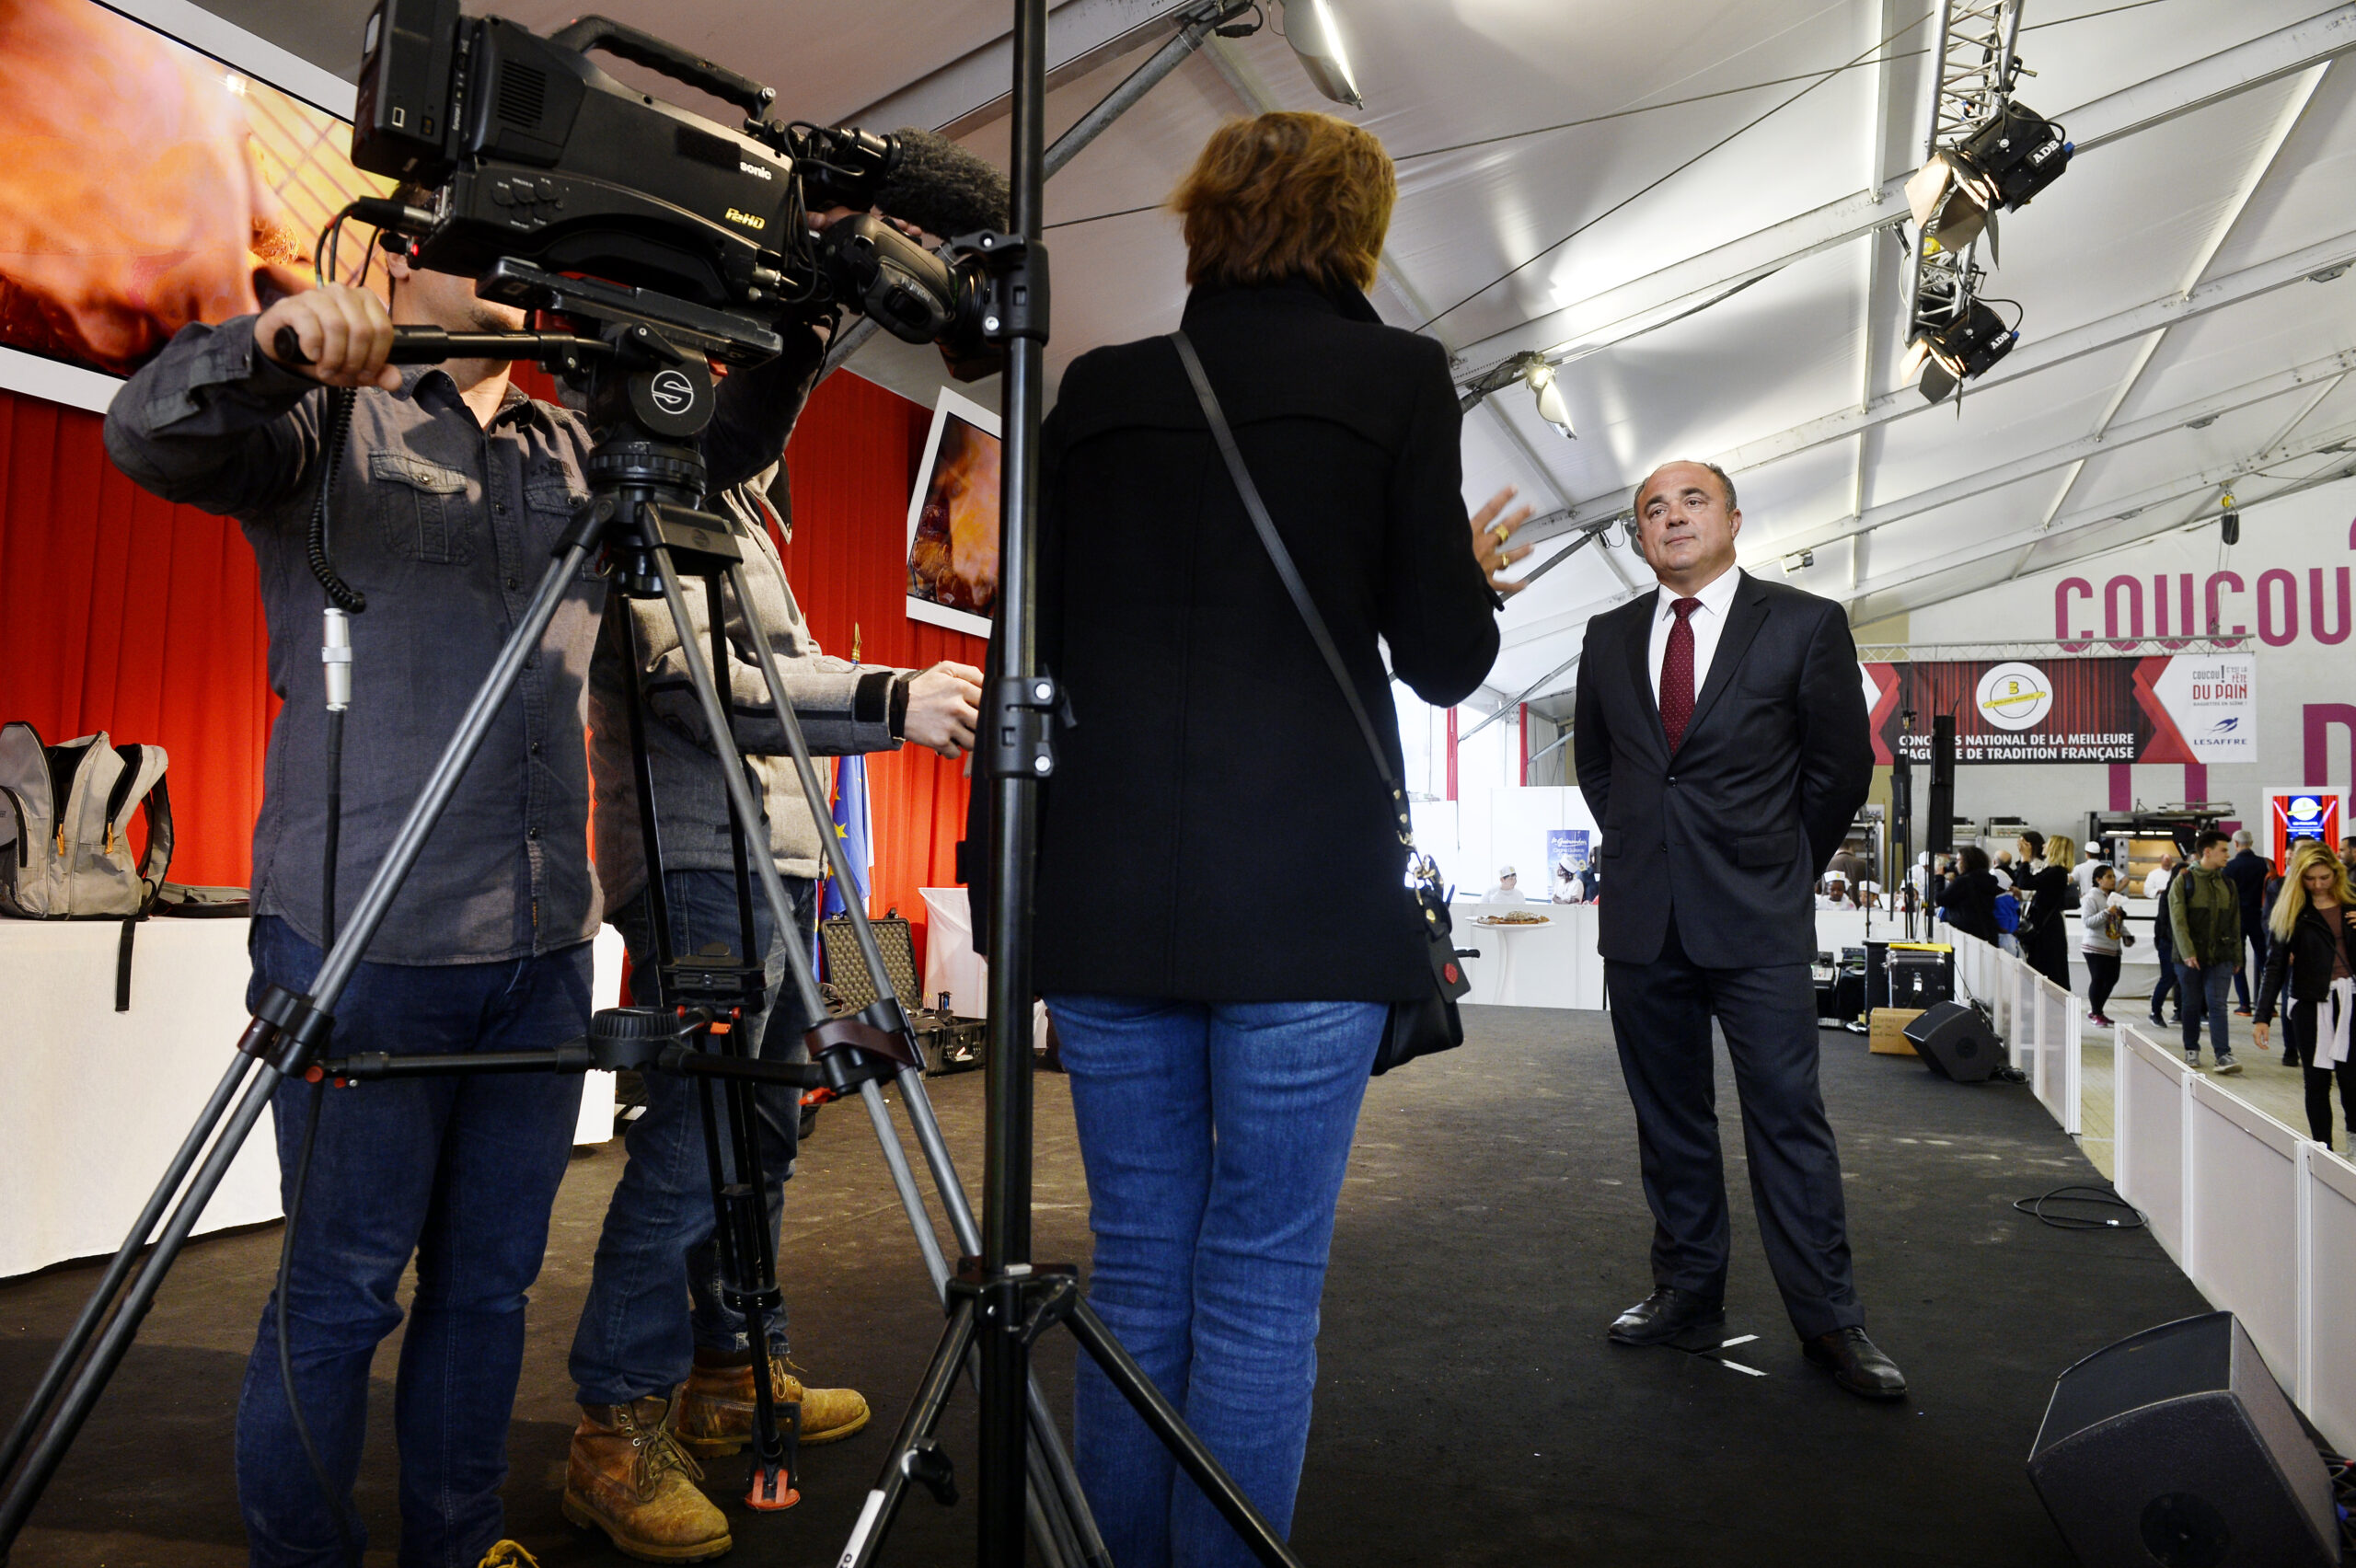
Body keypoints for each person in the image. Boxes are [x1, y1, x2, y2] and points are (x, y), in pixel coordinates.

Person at [103, 255, 799, 1563]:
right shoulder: (328, 418)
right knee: (340, 1294)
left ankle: (455, 1537)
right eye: (459, 238)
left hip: (541, 947)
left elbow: (727, 450)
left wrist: (804, 313)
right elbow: (149, 433)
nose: (495, 264)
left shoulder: (573, 444)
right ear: (393, 265)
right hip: (363, 935)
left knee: (486, 1290)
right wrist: (271, 345)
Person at [1008, 110, 1514, 1564]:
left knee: (1140, 1272)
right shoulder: (1399, 377)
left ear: (1200, 222)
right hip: (1301, 895)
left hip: (1107, 900)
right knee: (1260, 1287)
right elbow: (1443, 658)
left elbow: (1034, 643)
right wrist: (1459, 571)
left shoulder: (1098, 391)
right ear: (1357, 228)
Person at [561, 467, 985, 1560]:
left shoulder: (741, 511)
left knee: (765, 1133)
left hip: (782, 858)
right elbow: (687, 682)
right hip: (696, 857)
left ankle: (731, 1372)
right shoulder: (651, 488)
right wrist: (892, 699)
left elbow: (769, 670)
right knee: (694, 1139)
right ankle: (615, 1423)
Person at [1575, 458, 1901, 1400]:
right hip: (1643, 923)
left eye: (1691, 501)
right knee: (1668, 1120)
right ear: (1638, 536)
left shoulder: (1802, 623)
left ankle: (1831, 1324)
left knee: (1787, 1121)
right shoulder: (1605, 637)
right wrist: (1650, 845)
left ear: (1733, 518)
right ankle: (1685, 1289)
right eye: (1650, 508)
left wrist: (1773, 861)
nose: (1670, 517)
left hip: (1758, 920)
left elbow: (1839, 769)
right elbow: (1603, 772)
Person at [2255, 843, 2356, 1148]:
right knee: (2316, 1080)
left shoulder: (2352, 903)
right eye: (2310, 879)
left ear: (2336, 873)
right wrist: (2262, 1016)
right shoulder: (2291, 910)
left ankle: (2353, 1140)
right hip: (2310, 1002)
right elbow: (2274, 966)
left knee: (2352, 1079)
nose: (2317, 885)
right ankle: (2322, 1148)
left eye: (2324, 877)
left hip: (2351, 999)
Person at [2170, 829, 2244, 1074]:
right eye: (2224, 850)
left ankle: (2223, 1054)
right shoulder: (2184, 881)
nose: (2228, 855)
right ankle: (2191, 1049)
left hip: (2220, 955)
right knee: (2191, 1003)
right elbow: (2178, 921)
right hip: (2189, 957)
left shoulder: (2229, 884)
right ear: (2207, 852)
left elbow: (2235, 922)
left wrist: (2237, 955)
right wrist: (2188, 952)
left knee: (2217, 1004)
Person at [2013, 830, 2074, 991]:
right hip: (2045, 926)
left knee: (2050, 966)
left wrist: (2025, 859)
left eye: (2048, 843)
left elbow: (2026, 883)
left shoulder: (2057, 872)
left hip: (2048, 929)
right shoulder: (2053, 871)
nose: (2044, 846)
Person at [2223, 829, 2272, 1014]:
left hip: (2237, 918)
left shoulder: (2230, 867)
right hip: (2260, 916)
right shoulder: (2264, 864)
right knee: (2264, 959)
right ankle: (2266, 1004)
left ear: (2235, 844)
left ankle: (2244, 1004)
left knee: (2239, 960)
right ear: (2251, 843)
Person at [2079, 864, 2131, 1027]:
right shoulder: (2091, 897)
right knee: (2099, 979)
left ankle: (2097, 1010)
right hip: (2095, 946)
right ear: (2098, 880)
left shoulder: (2114, 897)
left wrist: (2126, 934)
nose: (2113, 880)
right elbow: (2088, 922)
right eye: (2109, 877)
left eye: (2114, 876)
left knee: (2112, 979)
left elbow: (2117, 921)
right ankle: (2096, 1013)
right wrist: (2107, 912)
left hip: (2113, 947)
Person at [1937, 845, 2001, 943]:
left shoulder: (1964, 882)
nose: (1955, 865)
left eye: (1958, 861)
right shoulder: (1988, 879)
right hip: (1987, 933)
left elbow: (1939, 900)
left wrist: (1939, 878)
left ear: (1967, 862)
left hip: (1966, 936)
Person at [2145, 851, 2181, 1026]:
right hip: (2169, 942)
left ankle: (2179, 1011)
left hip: (2173, 942)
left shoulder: (2177, 892)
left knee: (2177, 978)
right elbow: (2165, 921)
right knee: (2168, 977)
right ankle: (2155, 1011)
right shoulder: (2170, 894)